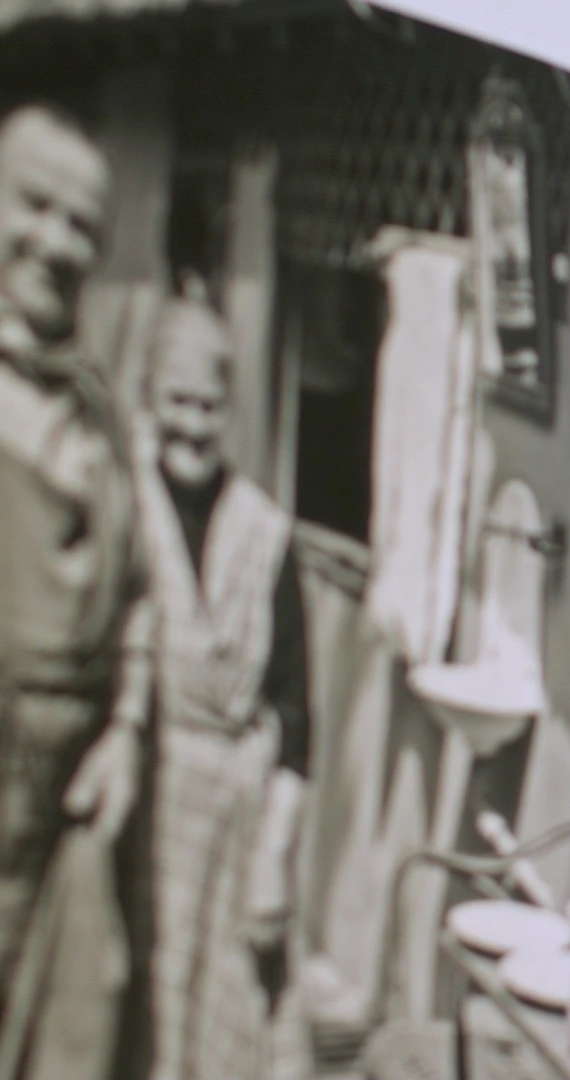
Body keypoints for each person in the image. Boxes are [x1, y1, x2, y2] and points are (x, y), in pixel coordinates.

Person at [0, 103, 151, 1080]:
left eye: (82, 224)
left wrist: (127, 730)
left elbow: (137, 593)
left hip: (70, 801)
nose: (56, 243)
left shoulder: (97, 412)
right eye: (34, 205)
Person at [133, 293, 309, 1080]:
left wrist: (274, 856)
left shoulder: (265, 533)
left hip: (239, 824)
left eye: (210, 405)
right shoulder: (123, 507)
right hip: (142, 816)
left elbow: (298, 717)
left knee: (230, 1034)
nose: (193, 425)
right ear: (149, 397)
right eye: (177, 400)